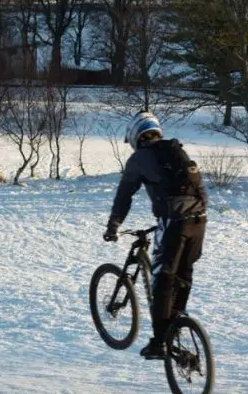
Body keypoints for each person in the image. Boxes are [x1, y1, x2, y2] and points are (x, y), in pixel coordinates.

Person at [103, 111, 208, 360]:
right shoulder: (176, 151)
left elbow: (124, 195)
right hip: (200, 220)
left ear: (136, 136)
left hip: (174, 221)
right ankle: (177, 319)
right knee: (183, 272)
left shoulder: (140, 158)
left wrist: (113, 226)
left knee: (162, 278)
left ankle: (160, 342)